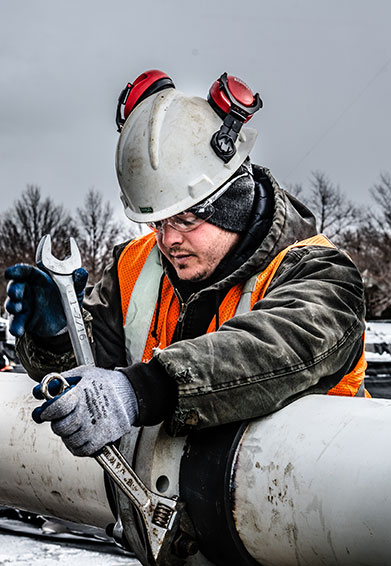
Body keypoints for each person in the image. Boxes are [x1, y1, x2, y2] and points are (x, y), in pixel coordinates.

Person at [4, 70, 367, 458]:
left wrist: (143, 390)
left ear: (234, 204)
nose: (168, 239)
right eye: (158, 221)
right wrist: (58, 334)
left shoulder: (323, 276)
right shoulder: (135, 266)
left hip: (309, 510)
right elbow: (95, 386)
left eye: (186, 219)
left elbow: (272, 350)